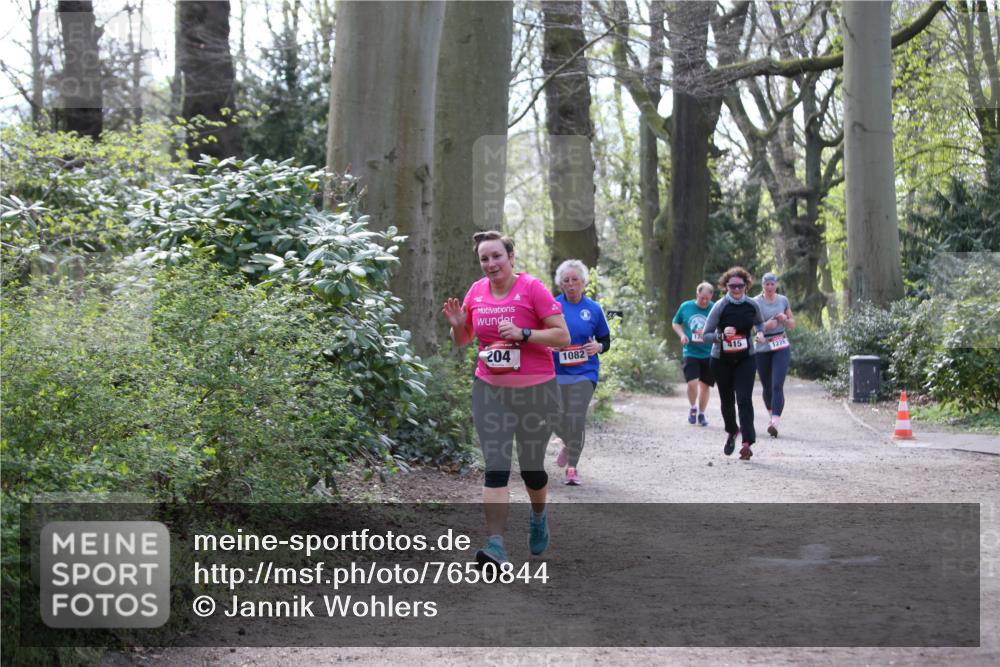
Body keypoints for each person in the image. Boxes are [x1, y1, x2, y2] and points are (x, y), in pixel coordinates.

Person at [441, 230, 570, 568]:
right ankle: (495, 546)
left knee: (531, 470)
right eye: (484, 258)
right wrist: (457, 325)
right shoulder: (477, 291)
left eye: (497, 256)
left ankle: (539, 516)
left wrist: (525, 334)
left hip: (536, 391)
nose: (490, 263)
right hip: (490, 391)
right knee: (495, 468)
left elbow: (562, 336)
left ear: (511, 257)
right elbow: (463, 340)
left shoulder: (532, 288)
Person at [550, 260, 611, 486]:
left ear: (583, 282)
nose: (571, 284)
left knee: (576, 416)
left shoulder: (594, 309)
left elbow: (605, 340)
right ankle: (568, 441)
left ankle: (572, 468)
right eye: (566, 281)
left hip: (585, 371)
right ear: (561, 285)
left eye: (575, 280)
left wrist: (598, 347)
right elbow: (542, 335)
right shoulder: (552, 306)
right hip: (556, 371)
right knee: (553, 415)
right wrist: (549, 345)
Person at [701, 267, 766, 460]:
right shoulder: (720, 306)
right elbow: (705, 336)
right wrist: (721, 336)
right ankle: (732, 430)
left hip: (746, 358)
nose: (736, 290)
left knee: (744, 399)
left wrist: (760, 332)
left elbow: (760, 323)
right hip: (721, 360)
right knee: (727, 401)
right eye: (732, 286)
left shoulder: (752, 305)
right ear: (726, 287)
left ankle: (747, 442)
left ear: (746, 286)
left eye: (740, 286)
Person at [754, 272, 795, 437]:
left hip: (781, 345)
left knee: (777, 384)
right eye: (766, 284)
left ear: (776, 285)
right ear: (762, 286)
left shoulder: (783, 300)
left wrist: (784, 319)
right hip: (762, 347)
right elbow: (751, 327)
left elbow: (792, 325)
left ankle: (776, 421)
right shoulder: (756, 302)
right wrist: (765, 326)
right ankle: (772, 415)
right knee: (766, 386)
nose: (770, 287)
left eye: (772, 284)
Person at [671, 282, 716, 426]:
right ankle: (692, 408)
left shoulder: (715, 308)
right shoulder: (686, 306)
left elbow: (721, 326)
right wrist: (682, 335)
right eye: (702, 298)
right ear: (697, 294)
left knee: (705, 386)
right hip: (690, 351)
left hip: (709, 352)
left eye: (707, 299)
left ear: (711, 297)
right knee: (692, 383)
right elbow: (675, 322)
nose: (704, 301)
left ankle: (702, 414)